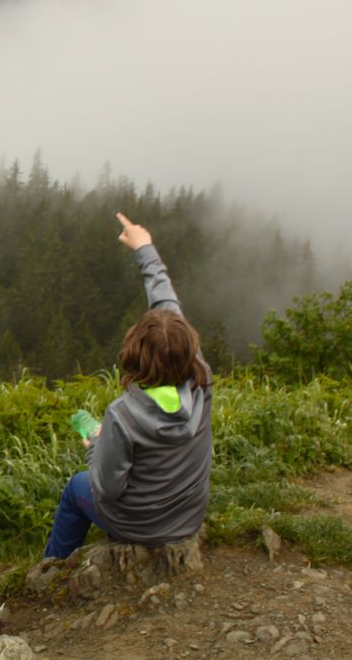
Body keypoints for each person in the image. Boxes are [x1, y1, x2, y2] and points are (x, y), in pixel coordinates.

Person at [43, 212, 214, 559]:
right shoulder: (201, 377)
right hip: (189, 516)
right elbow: (168, 307)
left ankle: (51, 569)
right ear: (188, 348)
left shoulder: (123, 415)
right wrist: (145, 249)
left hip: (140, 527)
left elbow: (106, 488)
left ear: (133, 356)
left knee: (77, 487)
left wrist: (96, 444)